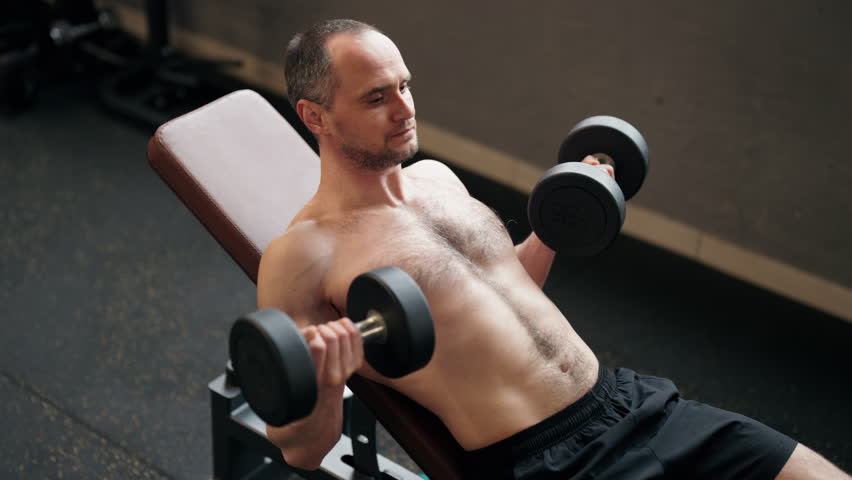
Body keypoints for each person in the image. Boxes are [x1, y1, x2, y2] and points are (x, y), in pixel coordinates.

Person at [257, 18, 849, 479]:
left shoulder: (438, 179)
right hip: (549, 462)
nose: (406, 108)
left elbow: (502, 289)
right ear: (316, 116)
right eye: (376, 97)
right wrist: (329, 382)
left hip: (633, 404)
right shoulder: (301, 256)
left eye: (406, 85)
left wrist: (559, 224)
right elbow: (302, 452)